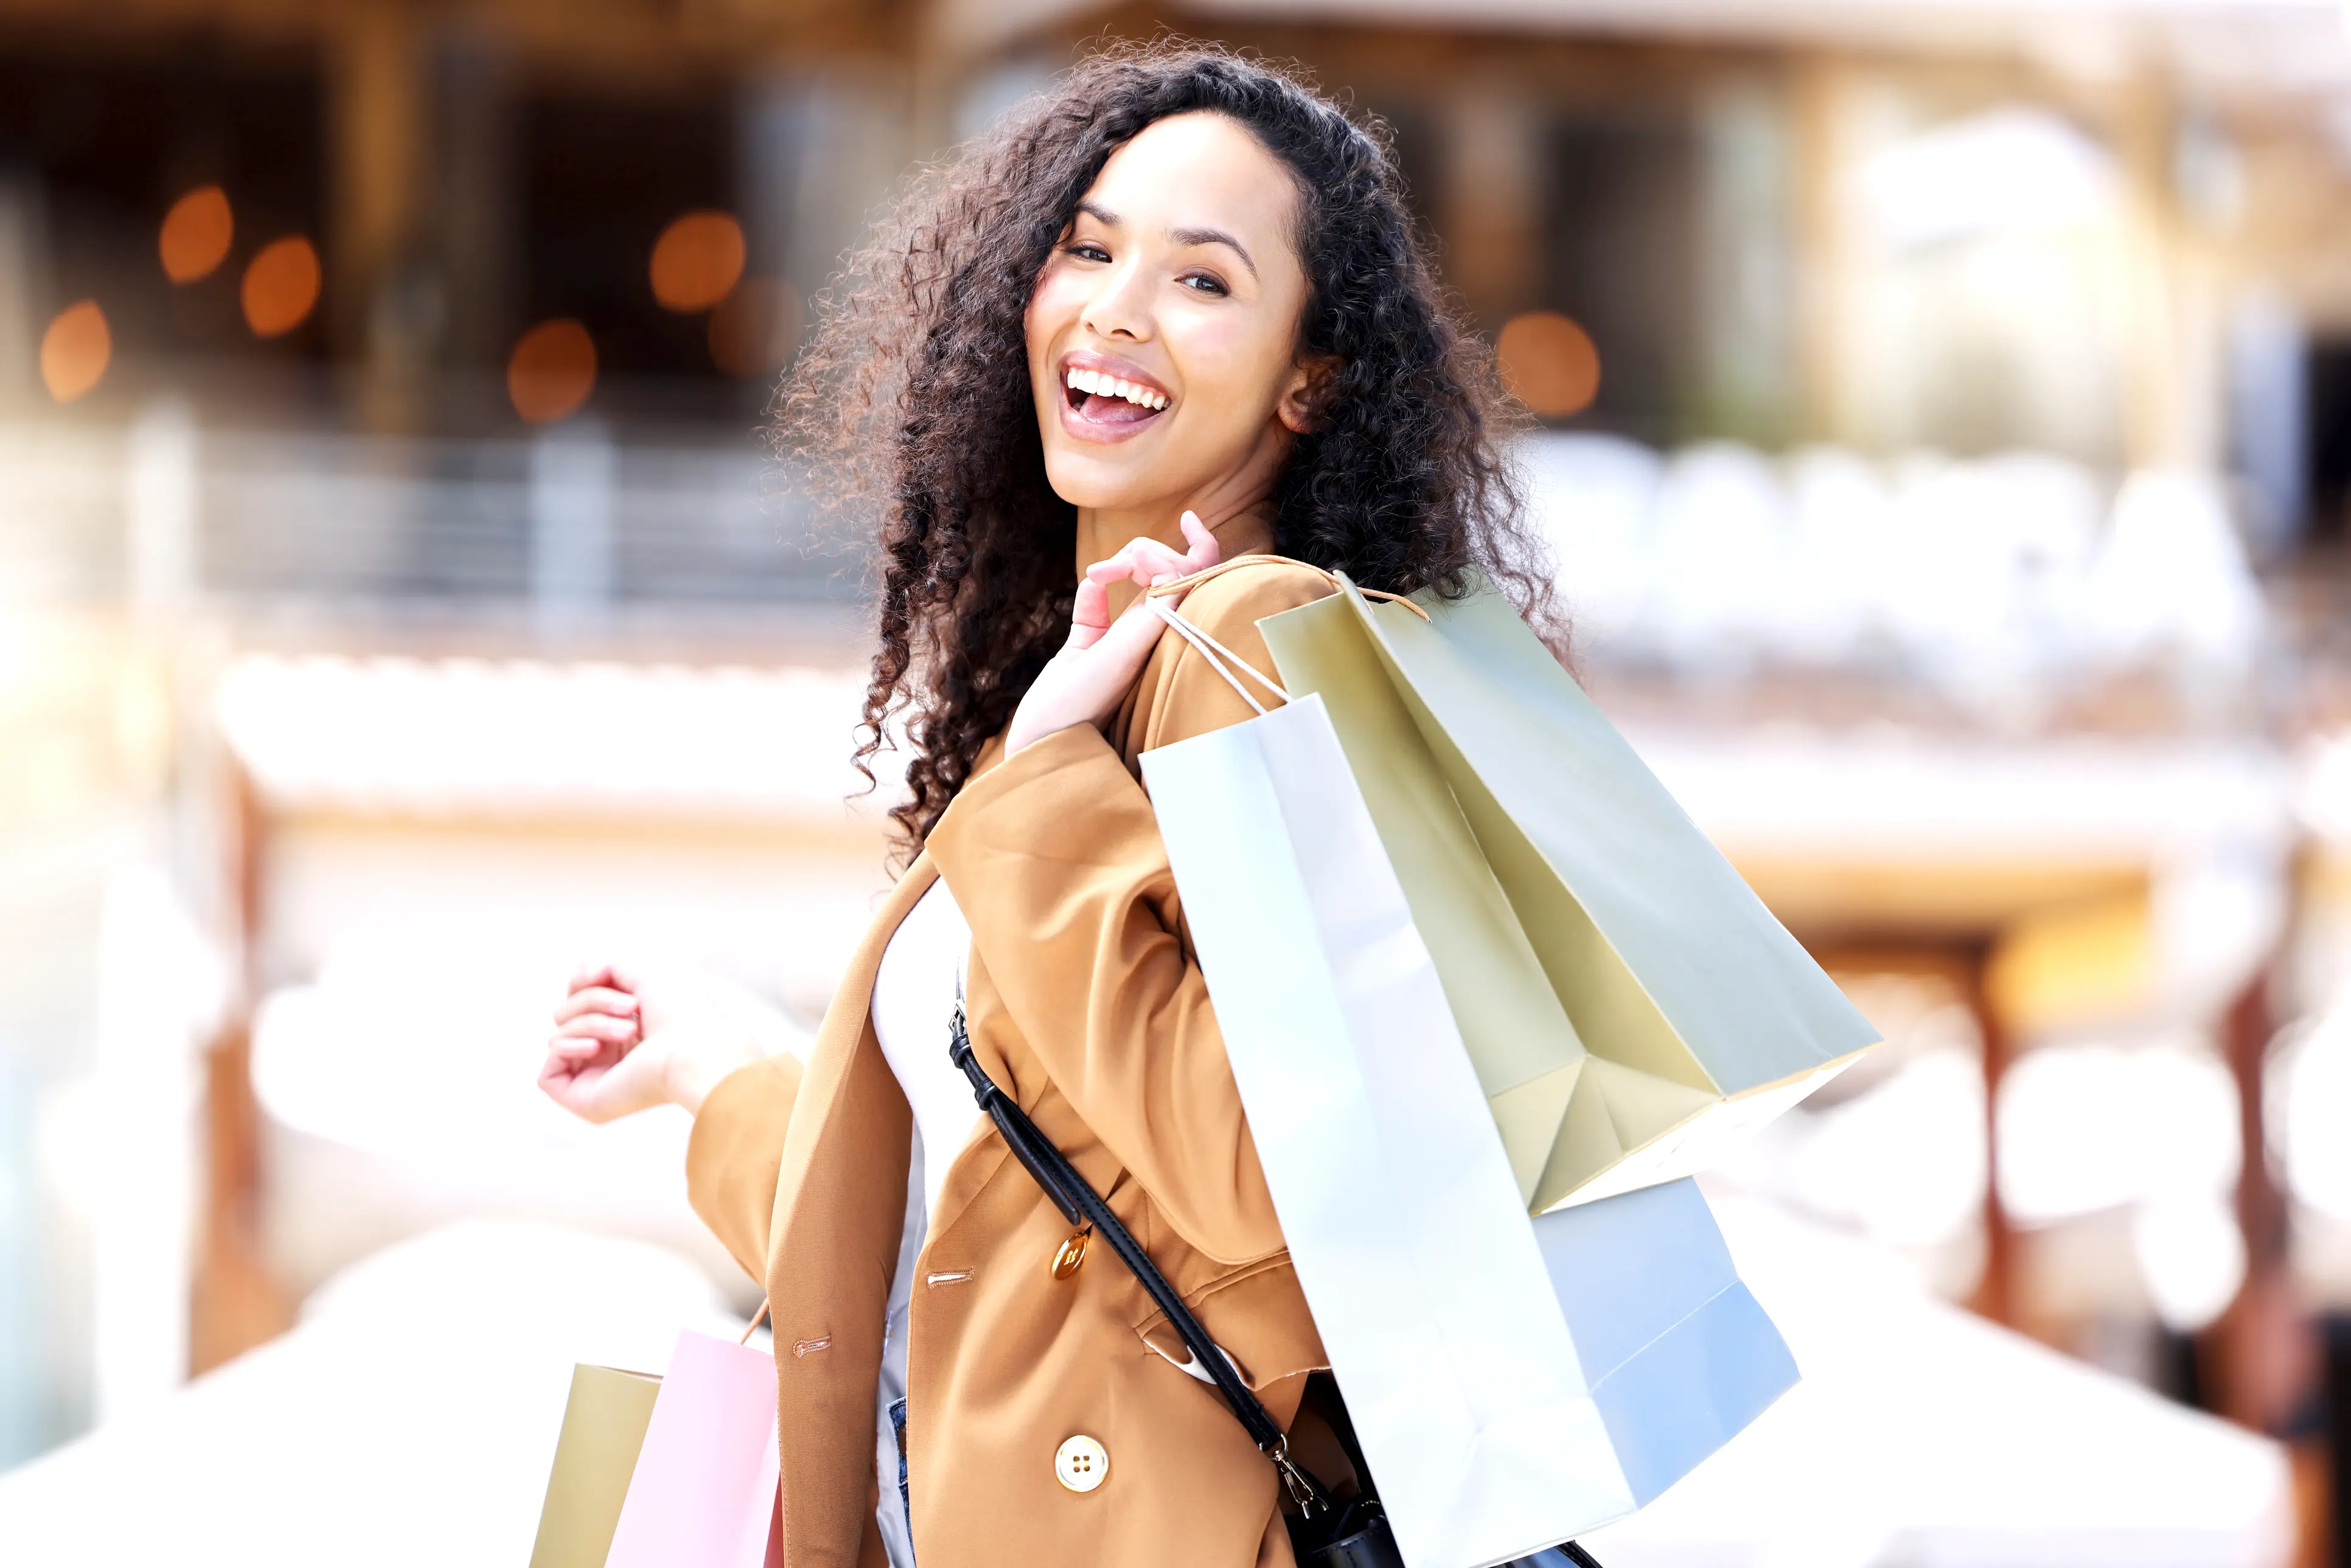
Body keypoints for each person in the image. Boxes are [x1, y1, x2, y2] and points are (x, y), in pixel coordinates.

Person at [538, 43, 1552, 1568]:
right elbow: (992, 1231)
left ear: (1310, 375)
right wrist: (714, 1071)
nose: (1117, 305)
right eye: (1087, 246)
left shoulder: (1258, 642)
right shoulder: (1107, 679)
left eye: (1203, 280)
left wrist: (1037, 790)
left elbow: (1262, 1174)